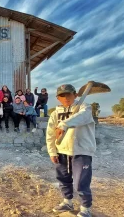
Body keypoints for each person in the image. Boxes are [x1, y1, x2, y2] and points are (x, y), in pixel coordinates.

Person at [47, 84, 96, 217]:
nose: (66, 97)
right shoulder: (55, 113)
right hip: (62, 150)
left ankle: (86, 208)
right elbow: (50, 133)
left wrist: (64, 124)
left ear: (75, 95)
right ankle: (67, 202)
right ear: (58, 98)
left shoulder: (84, 107)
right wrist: (52, 151)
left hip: (81, 150)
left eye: (68, 94)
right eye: (62, 95)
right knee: (63, 179)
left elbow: (82, 117)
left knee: (81, 182)